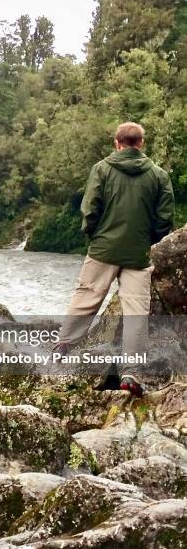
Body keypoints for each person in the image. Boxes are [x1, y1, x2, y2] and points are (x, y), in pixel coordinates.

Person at [54, 122, 174, 397]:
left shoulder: (102, 169)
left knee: (87, 296)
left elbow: (90, 209)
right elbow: (164, 219)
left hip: (103, 249)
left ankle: (64, 345)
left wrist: (95, 237)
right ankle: (131, 372)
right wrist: (149, 242)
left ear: (116, 143)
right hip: (138, 253)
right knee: (135, 312)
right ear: (141, 143)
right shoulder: (158, 175)